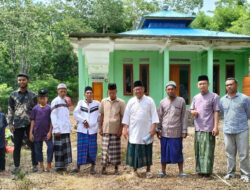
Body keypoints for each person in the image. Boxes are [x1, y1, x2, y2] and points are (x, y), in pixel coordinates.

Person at [122, 80, 159, 178]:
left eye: (139, 89)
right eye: (136, 89)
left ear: (143, 90)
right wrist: (125, 129)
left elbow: (154, 116)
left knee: (147, 151)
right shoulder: (131, 101)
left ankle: (148, 170)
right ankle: (134, 170)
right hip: (134, 131)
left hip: (146, 131)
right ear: (134, 90)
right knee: (134, 151)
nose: (138, 91)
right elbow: (126, 117)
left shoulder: (150, 101)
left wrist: (153, 128)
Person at [219, 78, 250, 183]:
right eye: (227, 85)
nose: (229, 87)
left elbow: (248, 113)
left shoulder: (245, 98)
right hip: (228, 130)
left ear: (237, 85)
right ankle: (230, 173)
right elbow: (223, 113)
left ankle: (245, 174)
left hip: (242, 129)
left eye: (231, 84)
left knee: (244, 153)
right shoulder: (222, 99)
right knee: (229, 153)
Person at [190, 75, 220, 179]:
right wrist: (193, 112)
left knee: (208, 151)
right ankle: (200, 170)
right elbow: (191, 109)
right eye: (200, 84)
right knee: (198, 150)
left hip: (208, 128)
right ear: (197, 85)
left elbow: (216, 112)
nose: (202, 85)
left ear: (208, 84)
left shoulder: (214, 96)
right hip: (198, 128)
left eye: (204, 83)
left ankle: (207, 172)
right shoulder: (196, 97)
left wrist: (216, 127)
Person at [8, 73, 38, 174]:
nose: (21, 82)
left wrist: (36, 124)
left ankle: (35, 165)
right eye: (19, 80)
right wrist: (10, 124)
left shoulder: (33, 95)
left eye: (23, 80)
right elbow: (10, 110)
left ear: (27, 81)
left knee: (33, 144)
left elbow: (36, 110)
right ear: (18, 82)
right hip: (17, 124)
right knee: (17, 146)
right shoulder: (13, 95)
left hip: (30, 124)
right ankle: (17, 166)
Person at [157, 81, 187, 178]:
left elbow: (184, 117)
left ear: (175, 89)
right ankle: (163, 171)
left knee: (178, 151)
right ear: (166, 90)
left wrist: (184, 130)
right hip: (165, 132)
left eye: (172, 89)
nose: (170, 91)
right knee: (164, 152)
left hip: (176, 132)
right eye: (168, 89)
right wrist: (158, 129)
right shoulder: (162, 102)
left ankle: (181, 171)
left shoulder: (181, 101)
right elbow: (160, 117)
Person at [72, 86, 100, 174]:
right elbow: (75, 113)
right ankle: (78, 167)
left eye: (90, 93)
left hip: (92, 130)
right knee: (81, 148)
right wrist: (83, 121)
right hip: (82, 130)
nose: (89, 94)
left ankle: (93, 168)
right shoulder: (81, 103)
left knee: (92, 149)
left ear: (93, 94)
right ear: (85, 94)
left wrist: (96, 124)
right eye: (87, 93)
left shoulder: (97, 103)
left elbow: (100, 115)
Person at [99, 83, 126, 175]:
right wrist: (100, 127)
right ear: (108, 92)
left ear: (116, 91)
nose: (112, 94)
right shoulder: (103, 101)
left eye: (113, 93)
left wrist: (120, 130)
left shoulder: (121, 102)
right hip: (105, 129)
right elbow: (101, 115)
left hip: (116, 130)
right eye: (110, 93)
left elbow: (123, 117)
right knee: (104, 150)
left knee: (115, 150)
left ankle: (116, 169)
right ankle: (103, 168)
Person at [29, 90, 53, 172]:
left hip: (47, 132)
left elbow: (51, 121)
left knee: (50, 147)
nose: (42, 100)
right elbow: (32, 121)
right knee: (38, 149)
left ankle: (49, 164)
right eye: (41, 98)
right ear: (38, 99)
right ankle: (41, 165)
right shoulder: (35, 109)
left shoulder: (50, 108)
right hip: (37, 131)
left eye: (44, 98)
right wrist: (30, 133)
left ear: (47, 98)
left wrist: (50, 132)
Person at [51, 83, 72, 172]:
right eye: (61, 91)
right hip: (59, 130)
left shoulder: (65, 101)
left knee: (65, 148)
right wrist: (56, 129)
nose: (63, 92)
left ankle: (65, 166)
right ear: (58, 91)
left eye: (64, 91)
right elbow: (53, 116)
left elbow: (66, 116)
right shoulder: (55, 101)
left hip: (66, 129)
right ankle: (59, 167)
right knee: (59, 148)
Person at [0, 111, 9, 176]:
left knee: (2, 156)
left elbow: (4, 128)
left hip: (1, 140)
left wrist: (5, 139)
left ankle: (3, 170)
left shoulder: (2, 116)